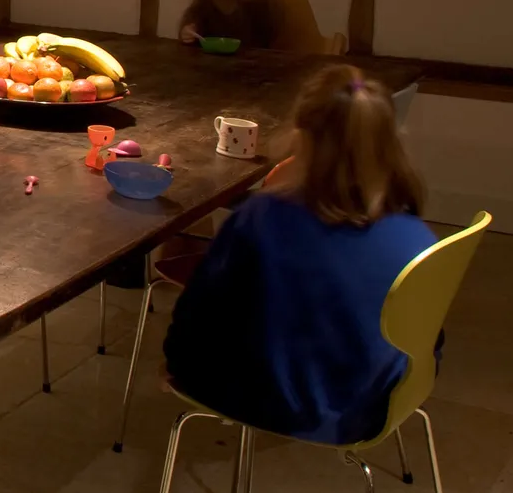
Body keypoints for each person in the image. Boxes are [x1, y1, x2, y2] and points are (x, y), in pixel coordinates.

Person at [163, 65, 437, 445]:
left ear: (303, 137)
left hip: (278, 405)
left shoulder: (262, 217)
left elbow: (199, 319)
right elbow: (430, 341)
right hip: (373, 408)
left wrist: (177, 361)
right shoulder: (419, 238)